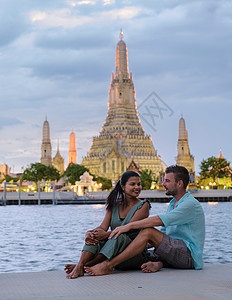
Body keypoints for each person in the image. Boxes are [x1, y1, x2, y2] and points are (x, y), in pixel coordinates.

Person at [84, 165, 205, 276]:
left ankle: (107, 266)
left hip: (189, 256)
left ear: (179, 183)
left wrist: (129, 226)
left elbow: (160, 220)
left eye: (167, 181)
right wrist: (138, 244)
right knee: (132, 250)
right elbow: (163, 234)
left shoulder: (189, 204)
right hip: (173, 253)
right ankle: (85, 265)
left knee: (148, 231)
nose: (163, 183)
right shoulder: (173, 203)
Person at [65, 170, 150, 279]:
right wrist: (90, 233)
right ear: (123, 187)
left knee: (119, 236)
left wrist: (105, 235)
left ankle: (84, 265)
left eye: (139, 184)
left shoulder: (143, 205)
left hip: (132, 255)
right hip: (113, 253)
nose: (137, 187)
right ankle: (81, 264)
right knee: (95, 236)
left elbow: (128, 229)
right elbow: (103, 227)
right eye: (132, 184)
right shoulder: (114, 204)